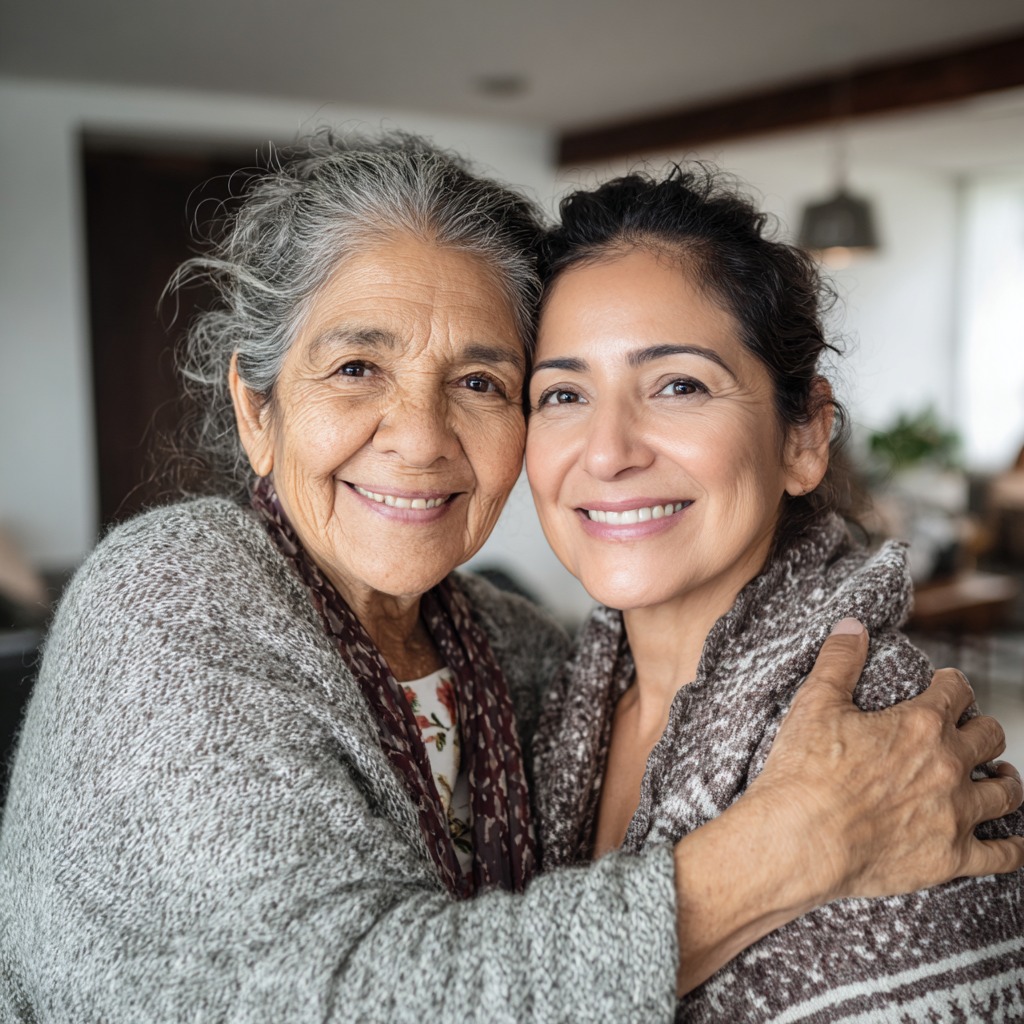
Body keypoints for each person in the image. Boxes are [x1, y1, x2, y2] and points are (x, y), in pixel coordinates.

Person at [0, 133, 1019, 1024]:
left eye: (483, 382)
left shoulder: (531, 658)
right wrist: (790, 846)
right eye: (357, 367)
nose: (420, 438)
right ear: (257, 410)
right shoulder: (169, 600)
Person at [527, 166, 1024, 1021]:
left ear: (804, 438)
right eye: (564, 393)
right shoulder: (553, 700)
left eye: (678, 384)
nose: (607, 451)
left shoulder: (884, 746)